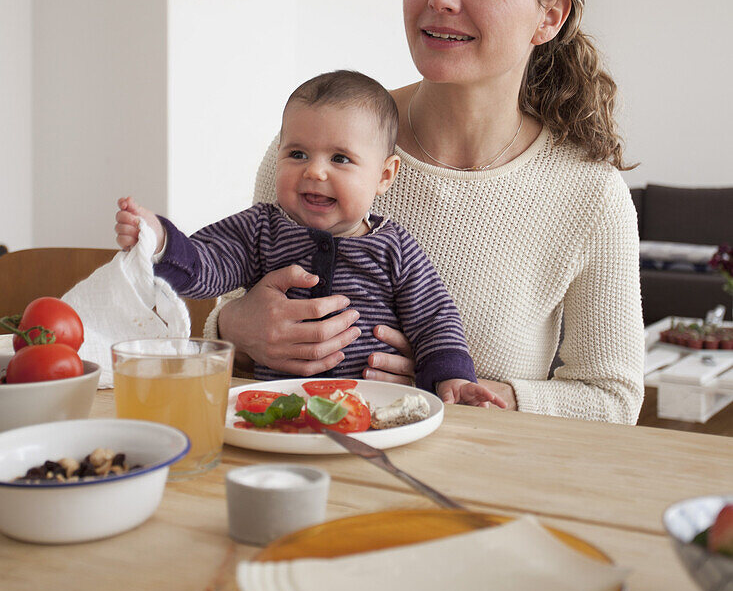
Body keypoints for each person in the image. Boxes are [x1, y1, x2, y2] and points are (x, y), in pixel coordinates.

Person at [208, 0, 645, 424]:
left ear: (549, 17)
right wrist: (234, 329)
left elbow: (613, 398)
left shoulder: (590, 195)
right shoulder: (316, 150)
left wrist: (476, 392)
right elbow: (236, 321)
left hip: (473, 492)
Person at [115, 70, 503, 408]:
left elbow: (435, 318)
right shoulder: (260, 229)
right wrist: (160, 238)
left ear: (384, 176)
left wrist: (451, 379)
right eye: (298, 154)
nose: (315, 171)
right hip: (276, 409)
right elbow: (206, 264)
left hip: (373, 412)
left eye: (340, 159)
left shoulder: (394, 247)